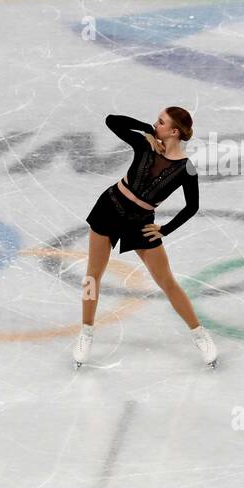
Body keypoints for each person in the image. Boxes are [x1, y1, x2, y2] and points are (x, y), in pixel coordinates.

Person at [73, 107, 217, 368]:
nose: (155, 124)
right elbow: (111, 120)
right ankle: (86, 331)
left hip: (140, 223)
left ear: (174, 131)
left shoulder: (188, 169)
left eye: (160, 122)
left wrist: (165, 229)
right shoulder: (144, 142)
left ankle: (199, 334)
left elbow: (192, 206)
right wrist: (147, 130)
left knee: (167, 281)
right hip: (109, 208)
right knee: (92, 276)